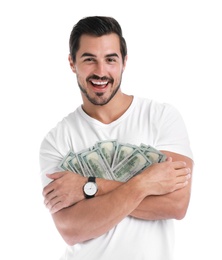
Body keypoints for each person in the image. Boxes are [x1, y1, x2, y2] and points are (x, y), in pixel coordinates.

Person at [39, 16, 193, 260]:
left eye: (110, 60)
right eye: (89, 60)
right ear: (72, 63)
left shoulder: (162, 117)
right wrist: (147, 183)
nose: (101, 72)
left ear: (124, 62)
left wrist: (87, 187)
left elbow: (176, 204)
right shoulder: (57, 140)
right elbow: (71, 229)